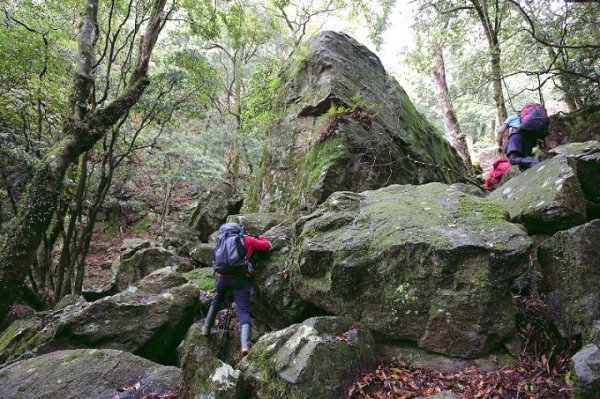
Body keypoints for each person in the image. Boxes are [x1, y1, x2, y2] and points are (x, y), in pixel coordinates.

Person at [201, 225, 272, 356]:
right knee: (243, 310)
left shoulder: (221, 241)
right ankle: (245, 345)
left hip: (222, 279)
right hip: (240, 279)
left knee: (215, 302)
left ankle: (206, 328)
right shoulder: (246, 239)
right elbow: (267, 245)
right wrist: (261, 237)